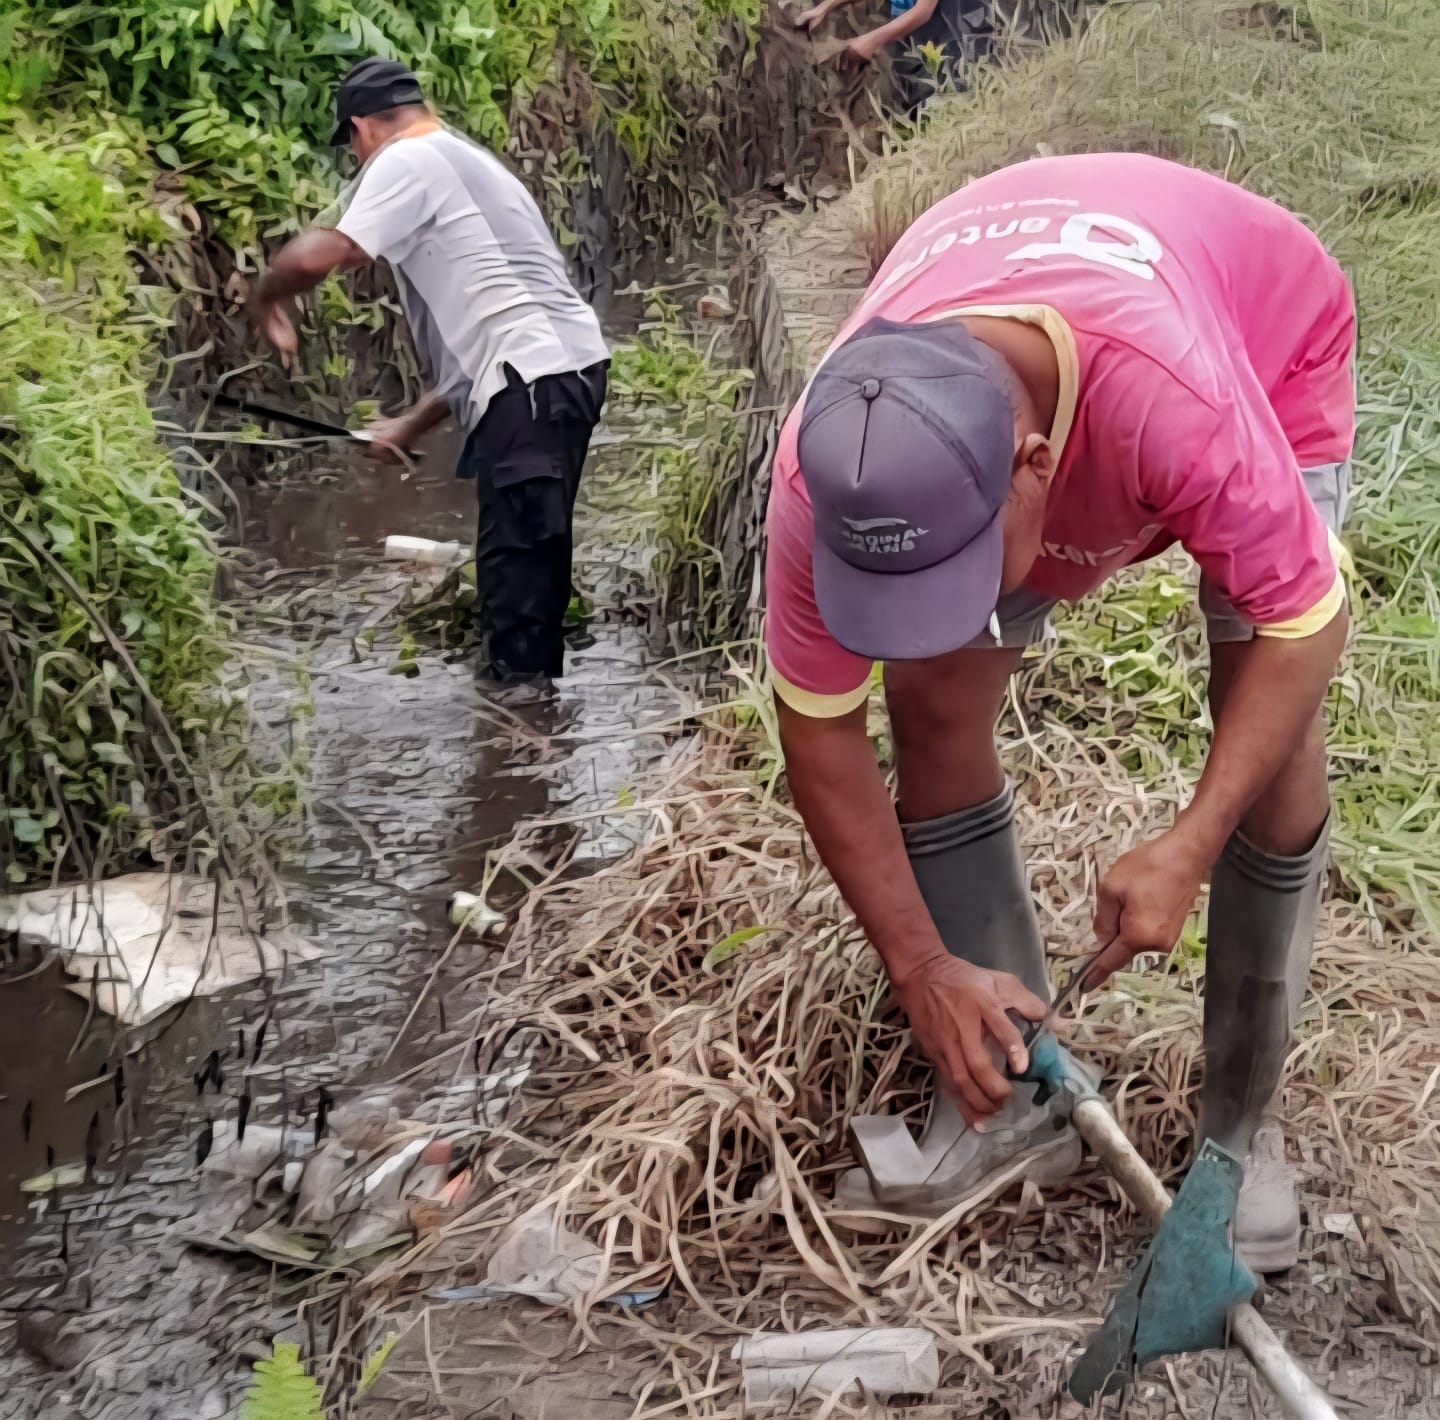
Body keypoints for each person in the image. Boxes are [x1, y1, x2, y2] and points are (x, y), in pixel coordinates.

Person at [764, 152, 1355, 1272]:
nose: (937, 615)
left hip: (1263, 335)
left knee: (1267, 727)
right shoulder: (828, 466)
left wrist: (1188, 843)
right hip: (1039, 340)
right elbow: (821, 732)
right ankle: (1015, 1105)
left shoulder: (1179, 405)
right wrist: (924, 969)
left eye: (955, 575)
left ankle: (1238, 1138)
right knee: (932, 695)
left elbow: (1306, 624)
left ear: (1037, 468)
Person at [249, 57, 611, 682]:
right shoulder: (467, 161)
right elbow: (492, 334)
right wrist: (409, 426)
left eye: (353, 149)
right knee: (533, 563)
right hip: (566, 374)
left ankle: (520, 742)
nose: (358, 163)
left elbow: (330, 251)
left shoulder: (404, 159)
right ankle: (539, 724)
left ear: (361, 128)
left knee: (517, 582)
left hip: (532, 385)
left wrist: (265, 298)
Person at [794, 0, 992, 100]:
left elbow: (924, 10)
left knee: (957, 91)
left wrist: (869, 41)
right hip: (913, 29)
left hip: (955, 27)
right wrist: (824, 8)